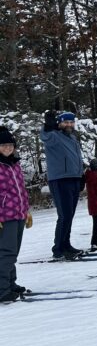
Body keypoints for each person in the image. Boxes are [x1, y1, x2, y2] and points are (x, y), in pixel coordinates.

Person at [40, 110, 84, 260]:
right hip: (60, 179)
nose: (69, 124)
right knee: (64, 215)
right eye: (66, 122)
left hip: (74, 179)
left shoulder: (72, 138)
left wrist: (80, 175)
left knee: (69, 215)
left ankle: (66, 245)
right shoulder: (54, 136)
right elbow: (44, 136)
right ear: (59, 123)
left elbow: (76, 158)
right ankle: (58, 249)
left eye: (71, 122)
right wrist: (47, 126)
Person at [0, 127, 32, 302]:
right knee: (6, 252)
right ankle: (2, 290)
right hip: (5, 216)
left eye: (10, 145)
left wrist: (26, 210)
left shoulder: (15, 163)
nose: (7, 148)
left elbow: (21, 190)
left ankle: (11, 283)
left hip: (19, 213)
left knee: (13, 252)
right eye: (3, 145)